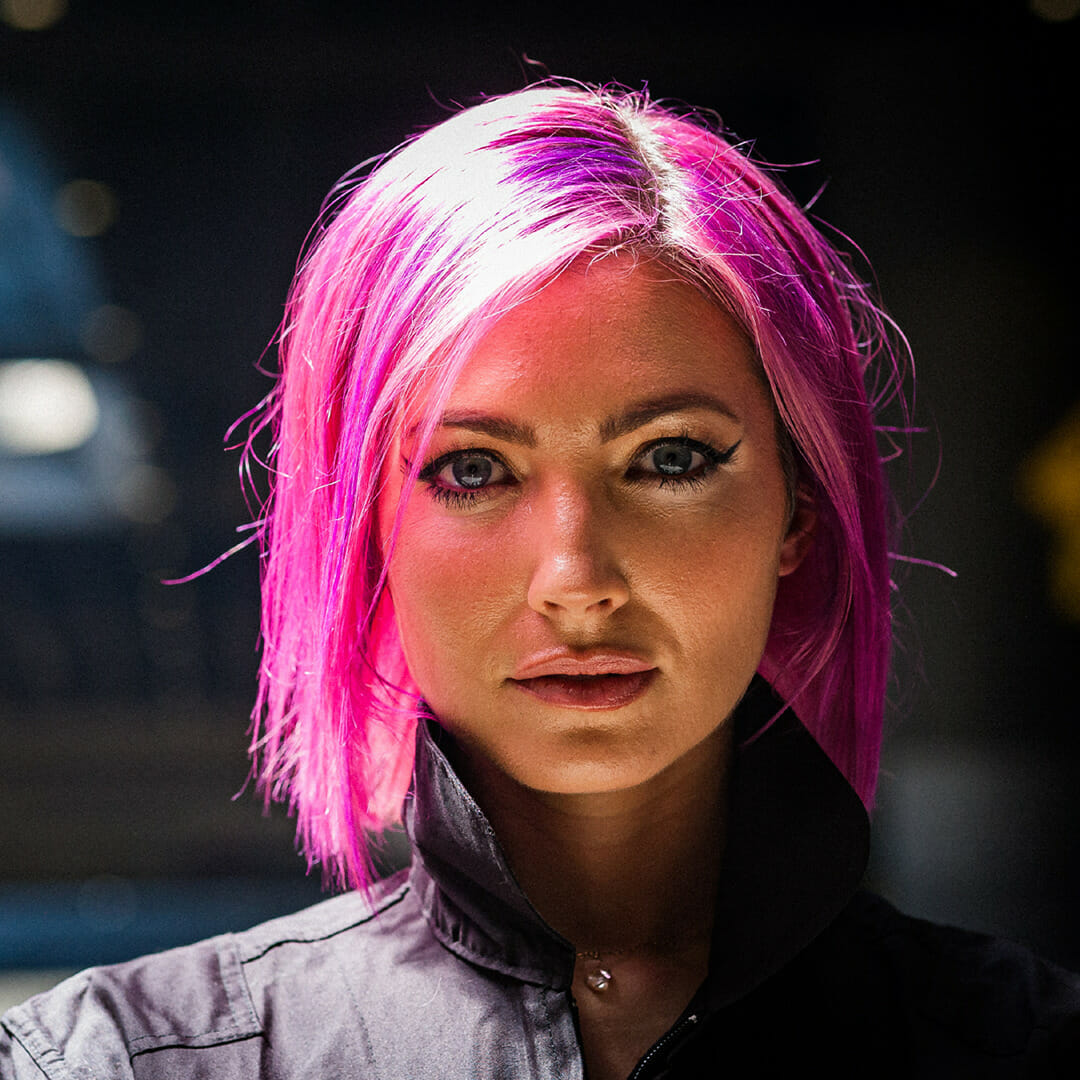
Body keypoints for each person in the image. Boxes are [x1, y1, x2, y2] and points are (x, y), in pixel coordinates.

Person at [2, 80, 1078, 1079]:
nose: (575, 580)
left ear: (797, 505)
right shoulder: (116, 1062)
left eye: (670, 459)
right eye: (473, 471)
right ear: (367, 531)